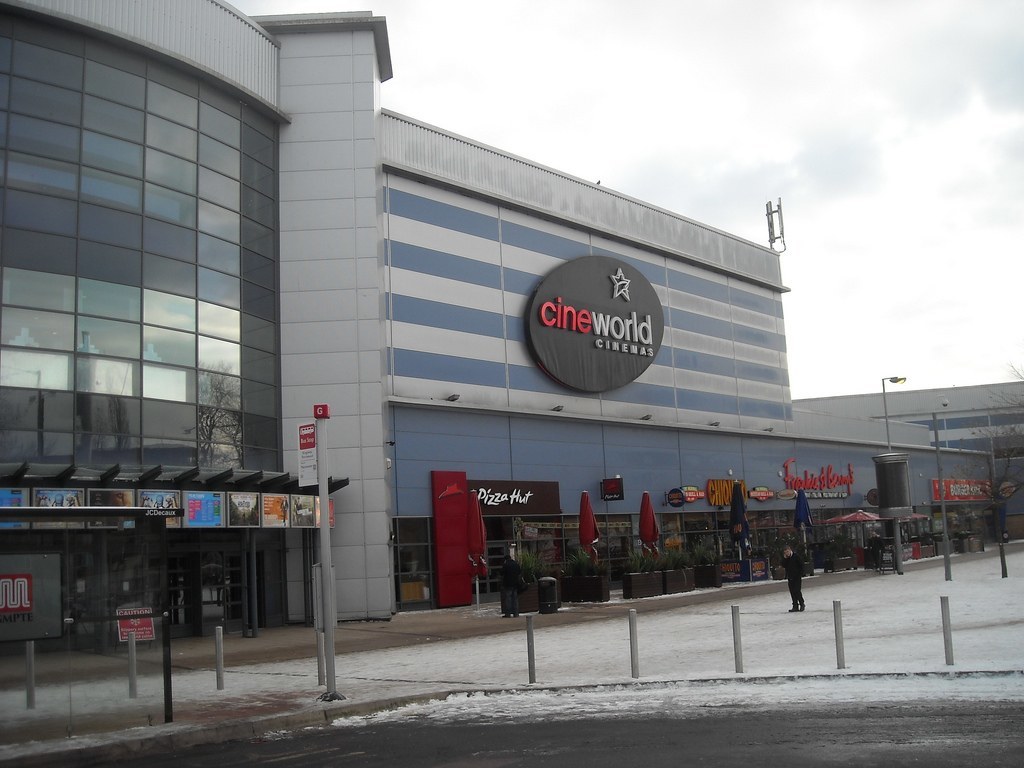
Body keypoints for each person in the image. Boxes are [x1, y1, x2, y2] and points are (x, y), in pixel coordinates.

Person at [782, 545, 805, 613]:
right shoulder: (786, 559)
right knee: (792, 592)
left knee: (797, 590)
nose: (787, 553)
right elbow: (783, 565)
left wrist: (800, 574)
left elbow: (801, 565)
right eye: (785, 552)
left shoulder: (796, 556)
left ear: (790, 550)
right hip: (790, 577)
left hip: (797, 577)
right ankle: (795, 606)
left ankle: (802, 603)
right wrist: (785, 559)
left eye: (787, 551)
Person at [500, 552, 522, 618]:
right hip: (515, 584)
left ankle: (508, 614)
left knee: (508, 599)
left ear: (505, 559)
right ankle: (516, 613)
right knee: (515, 599)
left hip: (508, 585)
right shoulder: (516, 564)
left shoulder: (506, 565)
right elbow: (519, 572)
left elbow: (502, 573)